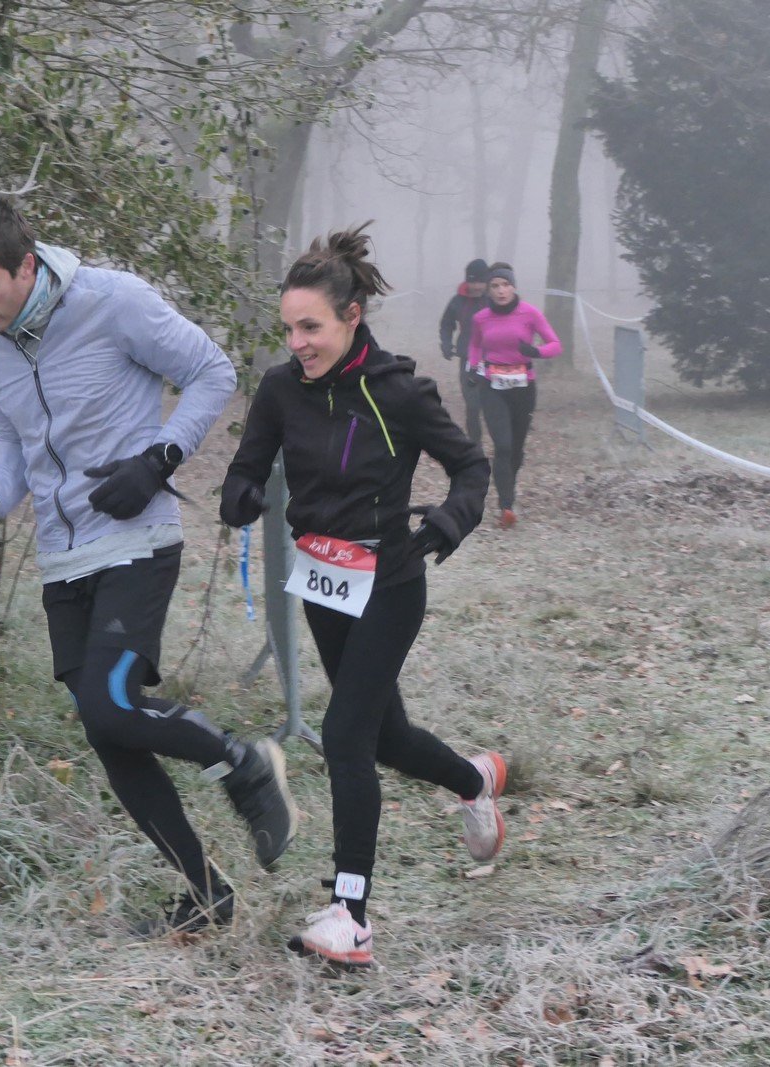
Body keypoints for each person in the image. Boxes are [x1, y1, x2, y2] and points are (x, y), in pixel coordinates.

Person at [0, 195, 296, 936]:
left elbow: (211, 371)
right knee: (109, 737)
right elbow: (14, 447)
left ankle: (243, 764)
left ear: (26, 267)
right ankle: (205, 894)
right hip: (61, 556)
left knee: (111, 705)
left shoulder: (113, 301)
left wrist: (156, 460)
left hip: (137, 539)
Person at [219, 224, 507, 969]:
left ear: (351, 317)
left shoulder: (399, 391)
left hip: (390, 582)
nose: (298, 343)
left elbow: (472, 467)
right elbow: (247, 465)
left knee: (345, 732)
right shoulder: (281, 388)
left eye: (310, 327)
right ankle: (473, 779)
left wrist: (448, 522)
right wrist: (240, 493)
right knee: (385, 735)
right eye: (289, 329)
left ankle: (351, 915)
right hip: (324, 583)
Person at [465, 263, 562, 528]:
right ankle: (506, 506)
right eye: (495, 286)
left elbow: (555, 345)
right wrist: (473, 367)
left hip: (523, 388)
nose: (501, 291)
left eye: (505, 285)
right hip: (492, 387)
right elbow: (475, 345)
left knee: (516, 448)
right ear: (488, 290)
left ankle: (508, 486)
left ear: (514, 287)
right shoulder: (481, 318)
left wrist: (536, 352)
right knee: (503, 446)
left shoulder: (529, 313)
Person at [437, 258, 490, 443]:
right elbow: (446, 324)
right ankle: (475, 444)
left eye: (481, 282)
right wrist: (446, 343)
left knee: (491, 404)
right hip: (468, 359)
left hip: (495, 359)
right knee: (472, 405)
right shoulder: (458, 300)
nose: (476, 287)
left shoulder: (495, 299)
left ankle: (503, 444)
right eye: (472, 282)